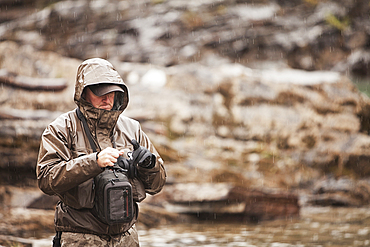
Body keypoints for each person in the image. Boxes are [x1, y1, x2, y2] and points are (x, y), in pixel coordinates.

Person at [36, 58, 166, 246]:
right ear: (83, 93)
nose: (107, 98)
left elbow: (157, 185)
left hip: (127, 239)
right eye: (100, 93)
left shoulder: (133, 129)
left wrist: (150, 165)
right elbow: (46, 179)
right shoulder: (60, 128)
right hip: (80, 238)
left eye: (113, 92)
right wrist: (94, 162)